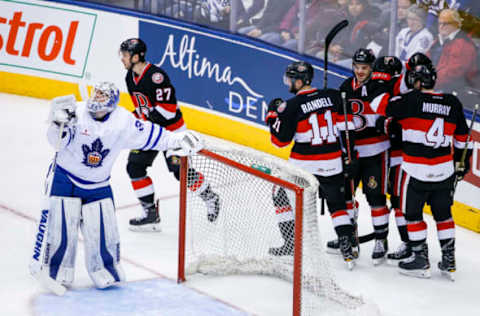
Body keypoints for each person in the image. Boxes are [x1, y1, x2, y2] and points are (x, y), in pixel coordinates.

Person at [29, 82, 202, 294]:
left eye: (103, 96)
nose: (97, 98)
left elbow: (151, 134)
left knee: (103, 231)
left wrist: (177, 138)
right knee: (61, 230)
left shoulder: (123, 121)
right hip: (66, 179)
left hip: (98, 184)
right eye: (97, 94)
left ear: (112, 101)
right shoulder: (77, 112)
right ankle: (59, 271)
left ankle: (105, 270)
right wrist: (57, 124)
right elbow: (56, 143)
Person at [381, 63, 472, 279]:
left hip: (415, 170)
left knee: (412, 215)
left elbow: (384, 108)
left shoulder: (411, 100)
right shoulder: (452, 102)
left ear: (417, 82)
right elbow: (461, 139)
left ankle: (420, 259)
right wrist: (462, 162)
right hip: (444, 171)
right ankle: (449, 260)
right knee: (444, 216)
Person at [119, 38, 220, 232]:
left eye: (125, 55)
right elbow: (142, 108)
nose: (122, 59)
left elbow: (168, 111)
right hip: (151, 131)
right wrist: (132, 121)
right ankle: (150, 212)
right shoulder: (130, 78)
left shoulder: (157, 77)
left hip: (173, 133)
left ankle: (211, 197)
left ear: (137, 56)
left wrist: (142, 123)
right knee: (134, 167)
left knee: (179, 173)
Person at [265, 61, 358, 269]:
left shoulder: (290, 106)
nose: (288, 82)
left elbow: (279, 142)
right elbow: (349, 125)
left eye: (290, 79)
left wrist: (272, 118)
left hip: (304, 167)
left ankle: (290, 243)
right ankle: (347, 245)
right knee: (337, 204)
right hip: (333, 163)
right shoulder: (333, 96)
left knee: (279, 193)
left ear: (300, 81)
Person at [328, 48, 392, 265]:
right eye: (357, 66)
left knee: (375, 197)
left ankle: (381, 240)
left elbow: (383, 113)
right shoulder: (346, 86)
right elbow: (339, 120)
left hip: (375, 152)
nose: (360, 71)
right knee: (346, 195)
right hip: (352, 152)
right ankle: (348, 236)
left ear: (371, 68)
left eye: (364, 67)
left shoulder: (380, 87)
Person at [427, 9, 478, 97]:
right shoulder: (439, 40)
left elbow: (453, 73)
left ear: (455, 24)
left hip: (455, 93)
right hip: (435, 86)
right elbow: (425, 59)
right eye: (439, 23)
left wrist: (428, 82)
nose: (441, 27)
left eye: (445, 23)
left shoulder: (463, 44)